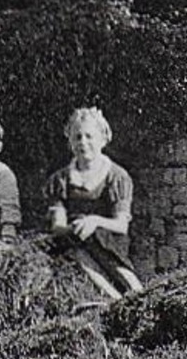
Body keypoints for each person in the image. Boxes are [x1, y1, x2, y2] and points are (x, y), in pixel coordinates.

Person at [47, 106, 143, 298]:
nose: (83, 143)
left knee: (94, 237)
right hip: (74, 240)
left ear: (103, 139)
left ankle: (136, 291)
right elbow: (57, 227)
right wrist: (75, 226)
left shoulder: (116, 176)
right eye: (77, 137)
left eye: (89, 136)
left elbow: (121, 225)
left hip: (110, 243)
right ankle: (114, 299)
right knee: (75, 249)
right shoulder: (60, 180)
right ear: (70, 141)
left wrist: (94, 221)